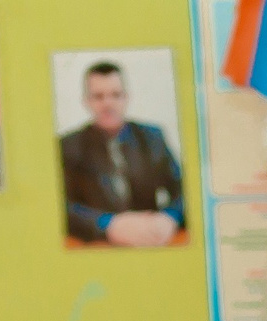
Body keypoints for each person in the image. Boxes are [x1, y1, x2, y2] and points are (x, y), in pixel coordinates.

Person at [60, 60, 185, 247]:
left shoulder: (152, 137)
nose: (108, 103)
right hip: (99, 246)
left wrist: (169, 218)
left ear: (126, 97)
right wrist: (108, 224)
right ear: (86, 101)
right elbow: (59, 205)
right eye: (98, 96)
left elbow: (185, 189)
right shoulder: (68, 145)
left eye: (115, 95)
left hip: (151, 242)